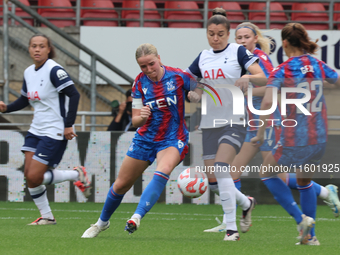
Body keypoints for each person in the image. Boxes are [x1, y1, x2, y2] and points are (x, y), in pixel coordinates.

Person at [205, 22, 340, 232]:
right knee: (235, 173)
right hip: (255, 123)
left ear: (255, 38)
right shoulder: (243, 59)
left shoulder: (263, 60)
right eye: (238, 38)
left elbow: (268, 88)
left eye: (246, 37)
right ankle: (232, 218)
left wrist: (244, 91)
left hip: (270, 123)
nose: (242, 41)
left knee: (275, 176)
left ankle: (315, 204)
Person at [81, 43, 194, 238]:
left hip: (173, 137)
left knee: (163, 169)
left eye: (151, 64)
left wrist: (195, 95)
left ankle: (136, 217)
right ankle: (101, 223)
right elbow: (135, 120)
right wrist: (141, 116)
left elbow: (199, 89)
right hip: (146, 138)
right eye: (143, 66)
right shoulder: (139, 83)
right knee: (121, 185)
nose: (149, 70)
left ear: (159, 58)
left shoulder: (178, 76)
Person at [251, 23, 340, 245]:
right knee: (304, 180)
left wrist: (261, 133)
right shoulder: (317, 64)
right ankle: (310, 237)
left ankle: (301, 219)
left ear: (284, 43)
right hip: (319, 137)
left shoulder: (282, 70)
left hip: (295, 138)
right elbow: (337, 81)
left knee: (266, 173)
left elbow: (268, 102)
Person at [185, 8, 267, 241]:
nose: (216, 38)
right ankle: (246, 202)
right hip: (209, 122)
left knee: (222, 168)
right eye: (211, 33)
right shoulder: (202, 57)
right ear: (207, 34)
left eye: (220, 33)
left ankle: (231, 229)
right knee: (214, 182)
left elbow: (263, 77)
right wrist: (195, 95)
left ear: (228, 34)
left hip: (235, 120)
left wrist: (248, 77)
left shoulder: (238, 51)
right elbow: (195, 84)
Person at [0, 34, 91, 225]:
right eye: (34, 46)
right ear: (29, 48)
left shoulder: (54, 70)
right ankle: (47, 217)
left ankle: (77, 174)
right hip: (36, 129)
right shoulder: (28, 72)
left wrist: (68, 124)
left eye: (42, 46)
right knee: (30, 176)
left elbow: (74, 95)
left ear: (49, 49)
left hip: (55, 130)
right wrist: (6, 107)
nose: (37, 49)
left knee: (35, 176)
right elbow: (25, 100)